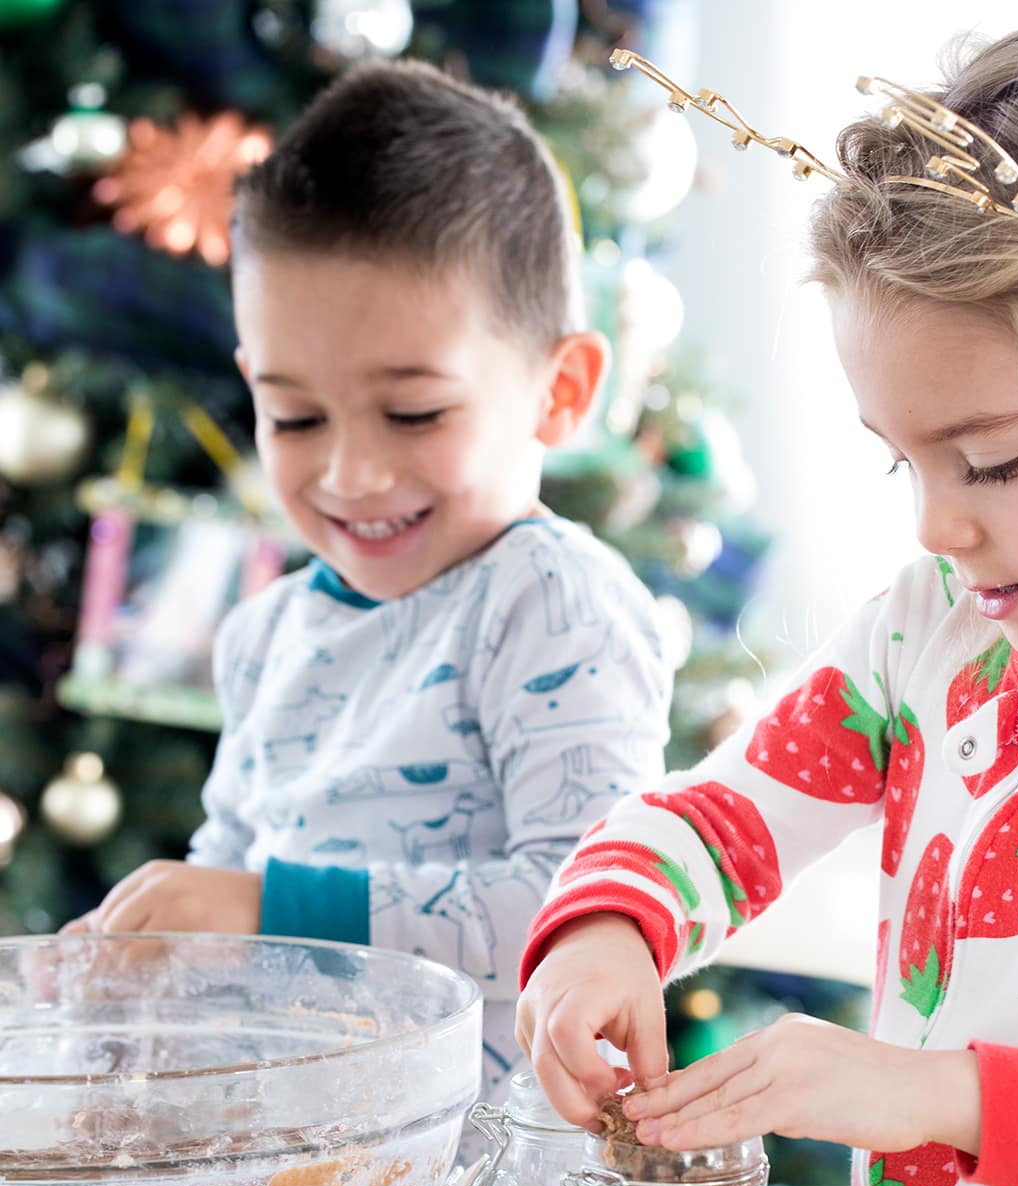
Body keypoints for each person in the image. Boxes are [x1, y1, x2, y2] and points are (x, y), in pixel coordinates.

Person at [516, 23, 1018, 1186]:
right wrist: (609, 935)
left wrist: (930, 1095)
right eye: (905, 461)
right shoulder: (927, 635)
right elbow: (724, 818)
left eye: (994, 462)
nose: (939, 525)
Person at [67, 58, 670, 1090]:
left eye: (415, 412)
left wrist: (267, 910)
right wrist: (148, 953)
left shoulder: (549, 603)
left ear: (559, 391)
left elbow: (590, 906)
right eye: (296, 417)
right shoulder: (266, 636)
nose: (350, 473)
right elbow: (227, 874)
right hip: (298, 1180)